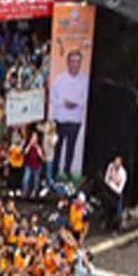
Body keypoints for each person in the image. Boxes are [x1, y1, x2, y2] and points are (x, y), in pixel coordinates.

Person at [48, 49, 88, 179]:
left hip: (75, 120)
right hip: (61, 119)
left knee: (71, 147)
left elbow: (86, 98)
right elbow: (53, 97)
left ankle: (67, 170)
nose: (75, 64)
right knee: (58, 147)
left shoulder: (84, 80)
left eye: (78, 62)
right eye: (72, 61)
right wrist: (63, 103)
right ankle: (54, 171)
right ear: (68, 62)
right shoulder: (60, 79)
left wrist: (76, 103)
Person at [103, 157, 127, 233]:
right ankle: (107, 225)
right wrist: (110, 184)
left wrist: (112, 184)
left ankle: (116, 229)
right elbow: (106, 179)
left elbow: (120, 189)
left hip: (117, 194)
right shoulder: (110, 167)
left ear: (120, 165)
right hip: (109, 192)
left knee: (117, 212)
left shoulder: (123, 173)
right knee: (108, 209)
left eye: (117, 164)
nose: (115, 165)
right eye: (115, 163)